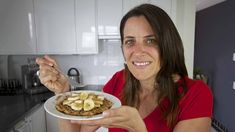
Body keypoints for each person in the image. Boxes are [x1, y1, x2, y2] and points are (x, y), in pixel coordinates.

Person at [36, 3, 213, 132]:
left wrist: (138, 129)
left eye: (150, 40)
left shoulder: (196, 94)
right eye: (130, 42)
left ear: (167, 44)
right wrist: (63, 94)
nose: (138, 51)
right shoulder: (118, 81)